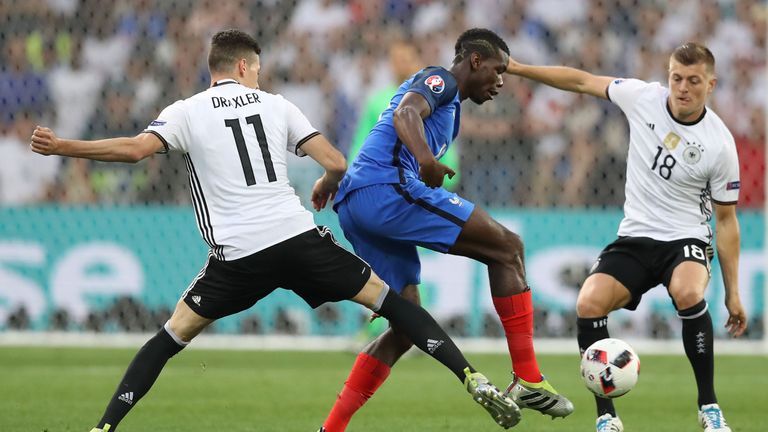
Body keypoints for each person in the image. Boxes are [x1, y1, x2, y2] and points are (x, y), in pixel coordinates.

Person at [30, 29, 520, 432]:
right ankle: (472, 377)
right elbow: (336, 161)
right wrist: (327, 181)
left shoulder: (185, 111)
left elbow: (134, 151)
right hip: (297, 239)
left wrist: (64, 147)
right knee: (395, 305)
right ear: (245, 67)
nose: (259, 77)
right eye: (257, 69)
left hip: (237, 257)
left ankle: (104, 428)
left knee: (169, 337)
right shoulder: (276, 105)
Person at [318, 28, 574, 432]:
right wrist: (425, 160)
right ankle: (527, 377)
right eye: (498, 70)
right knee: (508, 247)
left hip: (356, 204)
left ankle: (330, 428)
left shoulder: (452, 107)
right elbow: (405, 113)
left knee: (406, 326)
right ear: (475, 61)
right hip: (387, 190)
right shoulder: (441, 79)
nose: (501, 81)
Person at [506, 42, 747, 432]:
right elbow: (582, 81)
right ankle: (606, 417)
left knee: (688, 292)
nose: (682, 88)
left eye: (693, 81)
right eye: (676, 78)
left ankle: (709, 408)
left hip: (685, 238)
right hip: (635, 237)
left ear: (711, 84)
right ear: (668, 75)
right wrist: (517, 67)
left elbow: (726, 221)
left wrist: (733, 293)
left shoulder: (719, 144)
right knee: (588, 302)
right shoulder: (643, 98)